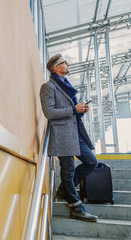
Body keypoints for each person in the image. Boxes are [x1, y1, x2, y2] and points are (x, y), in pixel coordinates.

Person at [40, 53, 98, 222]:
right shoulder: (48, 87)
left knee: (91, 161)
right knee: (68, 169)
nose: (68, 64)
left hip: (76, 132)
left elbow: (72, 112)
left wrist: (81, 111)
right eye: (64, 63)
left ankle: (65, 190)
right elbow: (49, 112)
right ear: (56, 68)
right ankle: (75, 206)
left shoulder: (67, 86)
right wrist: (74, 110)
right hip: (63, 134)